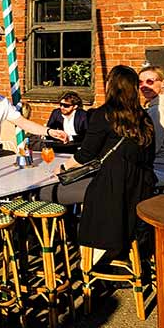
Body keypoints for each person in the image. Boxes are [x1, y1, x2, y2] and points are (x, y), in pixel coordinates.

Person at [42, 65, 157, 266]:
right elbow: (149, 154)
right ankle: (124, 258)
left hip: (110, 188)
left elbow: (85, 154)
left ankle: (79, 260)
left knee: (46, 194)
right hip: (139, 186)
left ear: (110, 86)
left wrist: (61, 169)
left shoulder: (103, 114)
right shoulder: (144, 117)